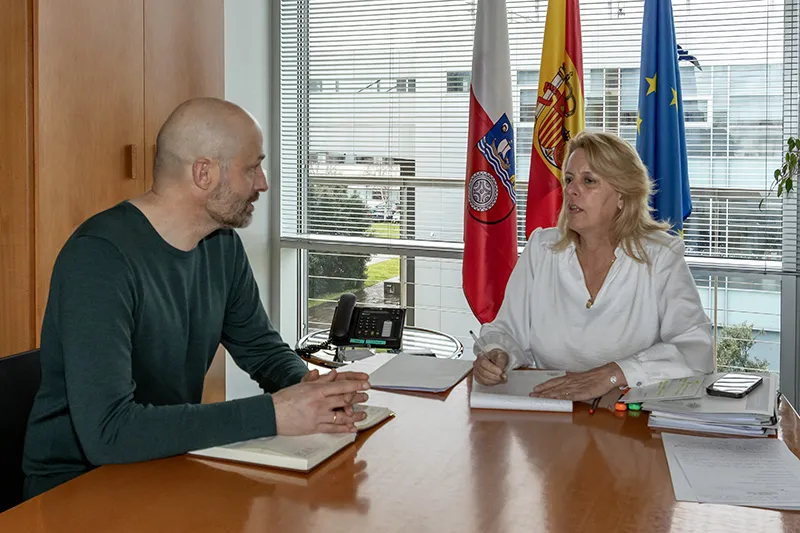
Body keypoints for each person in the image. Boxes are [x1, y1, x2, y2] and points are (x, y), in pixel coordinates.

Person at [23, 97, 370, 498]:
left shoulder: (221, 245)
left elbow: (261, 349)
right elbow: (108, 432)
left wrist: (313, 390)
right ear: (204, 173)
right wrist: (275, 413)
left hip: (164, 464)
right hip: (76, 488)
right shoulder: (99, 258)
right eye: (251, 167)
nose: (262, 183)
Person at [472, 131, 714, 400]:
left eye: (588, 181)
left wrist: (613, 374)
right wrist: (498, 353)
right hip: (551, 408)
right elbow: (507, 331)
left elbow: (696, 348)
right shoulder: (542, 249)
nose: (571, 190)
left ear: (622, 196)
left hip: (628, 416)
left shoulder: (660, 256)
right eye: (569, 179)